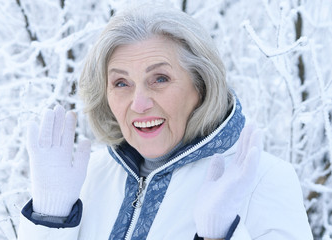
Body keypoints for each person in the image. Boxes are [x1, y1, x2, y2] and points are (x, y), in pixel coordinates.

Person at [18, 4, 313, 240]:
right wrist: (51, 217)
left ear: (200, 85)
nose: (140, 103)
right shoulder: (87, 178)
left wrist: (220, 236)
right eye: (121, 83)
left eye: (160, 79)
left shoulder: (263, 179)